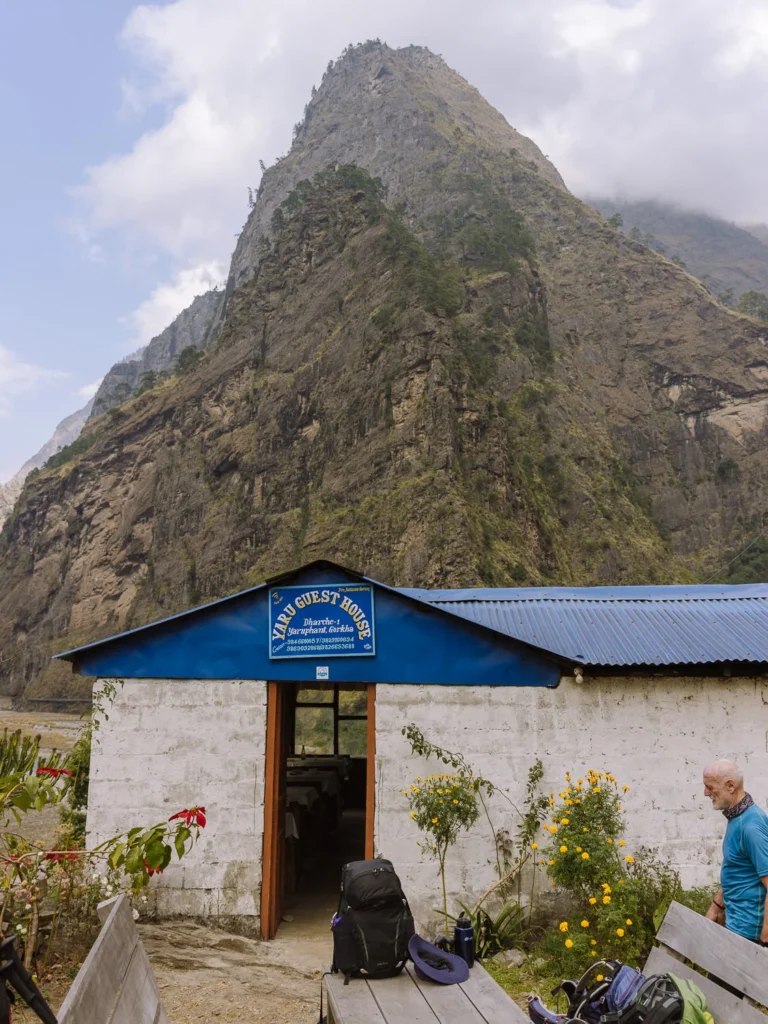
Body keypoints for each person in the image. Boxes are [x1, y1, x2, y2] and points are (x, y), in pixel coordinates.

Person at [703, 759, 768, 944]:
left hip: (749, 937)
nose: (706, 793)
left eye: (710, 787)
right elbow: (739, 869)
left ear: (730, 786)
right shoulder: (738, 818)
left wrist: (764, 940)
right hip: (735, 928)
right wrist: (716, 907)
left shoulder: (751, 827)